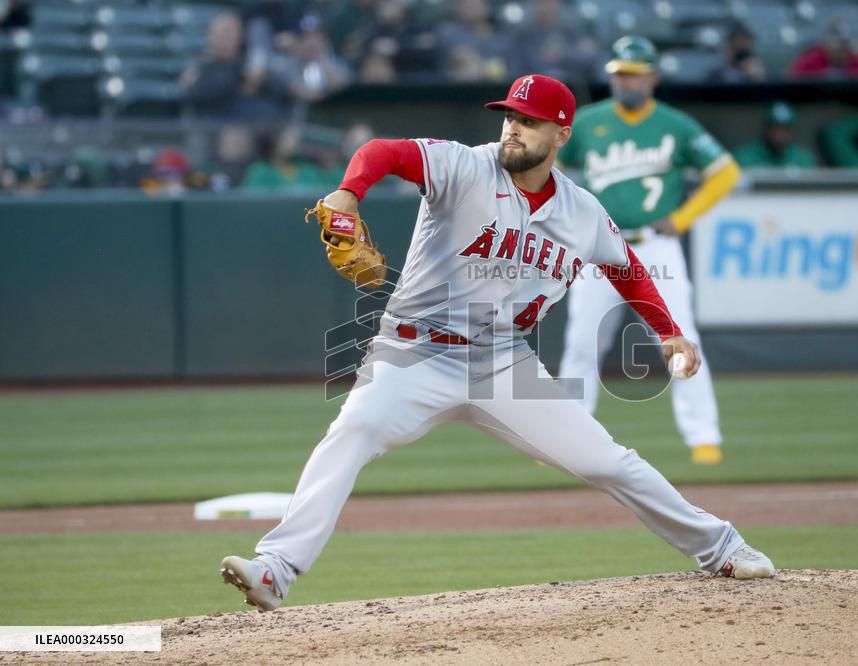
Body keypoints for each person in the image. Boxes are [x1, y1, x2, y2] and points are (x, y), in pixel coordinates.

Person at [220, 73, 775, 612]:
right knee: (353, 431)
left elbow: (625, 267)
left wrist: (668, 331)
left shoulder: (581, 211)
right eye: (510, 115)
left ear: (561, 135)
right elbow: (383, 150)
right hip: (413, 353)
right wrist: (347, 193)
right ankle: (276, 568)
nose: (513, 128)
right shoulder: (465, 166)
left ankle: (721, 547)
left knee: (608, 462)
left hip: (502, 363)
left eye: (530, 121)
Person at [557, 37, 739, 466]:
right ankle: (564, 436)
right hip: (602, 246)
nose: (627, 80)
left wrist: (683, 217)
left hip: (657, 245)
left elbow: (725, 172)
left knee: (680, 337)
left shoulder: (676, 125)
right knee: (582, 342)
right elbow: (551, 169)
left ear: (653, 77)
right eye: (620, 73)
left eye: (635, 73)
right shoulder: (587, 122)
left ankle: (703, 437)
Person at [734, 102, 817, 169]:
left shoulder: (803, 158)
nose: (780, 134)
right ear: (766, 128)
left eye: (785, 128)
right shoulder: (745, 157)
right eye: (776, 127)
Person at [788, 19, 858, 79]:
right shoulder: (809, 63)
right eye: (838, 43)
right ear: (827, 43)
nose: (842, 48)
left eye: (845, 44)